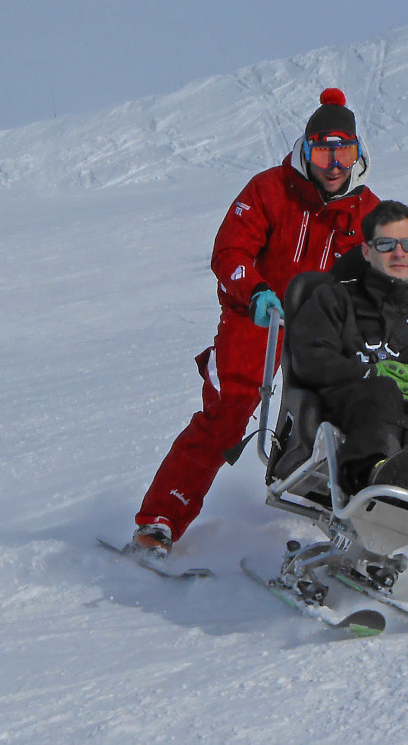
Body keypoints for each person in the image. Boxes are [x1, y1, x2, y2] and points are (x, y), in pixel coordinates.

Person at [130, 88, 381, 557]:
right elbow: (230, 251)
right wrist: (256, 290)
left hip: (318, 326)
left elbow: (378, 277)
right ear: (305, 150)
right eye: (322, 152)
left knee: (340, 414)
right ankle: (160, 519)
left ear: (357, 153)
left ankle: (346, 521)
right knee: (231, 408)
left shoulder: (366, 211)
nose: (333, 165)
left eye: (343, 153)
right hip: (258, 313)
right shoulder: (270, 189)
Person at [285, 200, 408, 506]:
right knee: (382, 390)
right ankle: (372, 471)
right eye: (386, 244)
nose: (399, 253)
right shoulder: (334, 301)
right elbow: (310, 358)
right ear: (366, 251)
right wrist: (367, 373)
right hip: (340, 417)